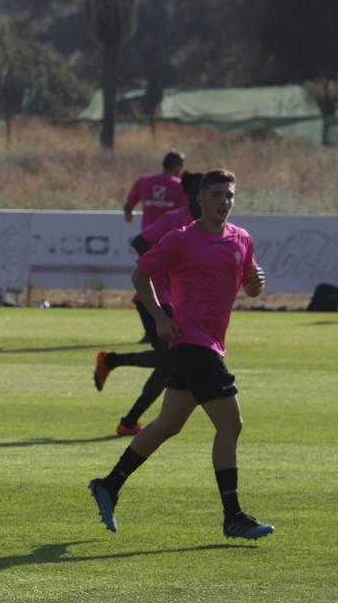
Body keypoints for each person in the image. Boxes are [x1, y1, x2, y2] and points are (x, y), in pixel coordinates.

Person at [88, 169, 275, 541]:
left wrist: (255, 284)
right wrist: (159, 318)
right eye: (217, 195)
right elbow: (140, 275)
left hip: (208, 343)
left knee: (168, 424)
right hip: (192, 343)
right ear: (200, 200)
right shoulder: (182, 239)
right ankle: (233, 515)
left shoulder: (242, 240)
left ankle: (109, 484)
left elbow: (249, 288)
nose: (224, 202)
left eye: (230, 196)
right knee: (231, 424)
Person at [94, 172, 203, 436]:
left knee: (167, 363)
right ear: (193, 194)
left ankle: (128, 417)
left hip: (177, 302)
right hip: (153, 297)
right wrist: (162, 263)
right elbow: (141, 241)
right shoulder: (175, 219)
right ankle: (128, 415)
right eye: (206, 191)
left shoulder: (204, 226)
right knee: (169, 362)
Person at [124, 150, 186, 230]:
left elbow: (128, 207)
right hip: (170, 238)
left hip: (147, 238)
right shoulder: (180, 185)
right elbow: (188, 212)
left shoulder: (144, 182)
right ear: (178, 167)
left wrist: (129, 216)